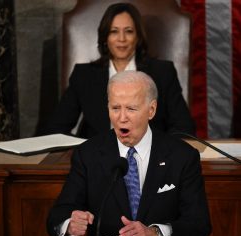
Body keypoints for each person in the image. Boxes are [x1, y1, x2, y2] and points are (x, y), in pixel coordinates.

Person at [46, 71, 211, 236]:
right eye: (115, 108)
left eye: (131, 109)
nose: (122, 118)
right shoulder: (88, 154)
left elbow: (199, 223)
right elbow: (57, 217)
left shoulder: (182, 156)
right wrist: (69, 224)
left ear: (151, 110)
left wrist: (156, 233)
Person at [41, 2, 195, 139]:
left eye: (128, 31)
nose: (121, 39)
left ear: (138, 36)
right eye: (114, 31)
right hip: (97, 160)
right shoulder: (84, 75)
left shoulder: (162, 72)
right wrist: (86, 152)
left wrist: (158, 153)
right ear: (105, 37)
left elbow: (184, 128)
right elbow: (56, 129)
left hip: (150, 160)